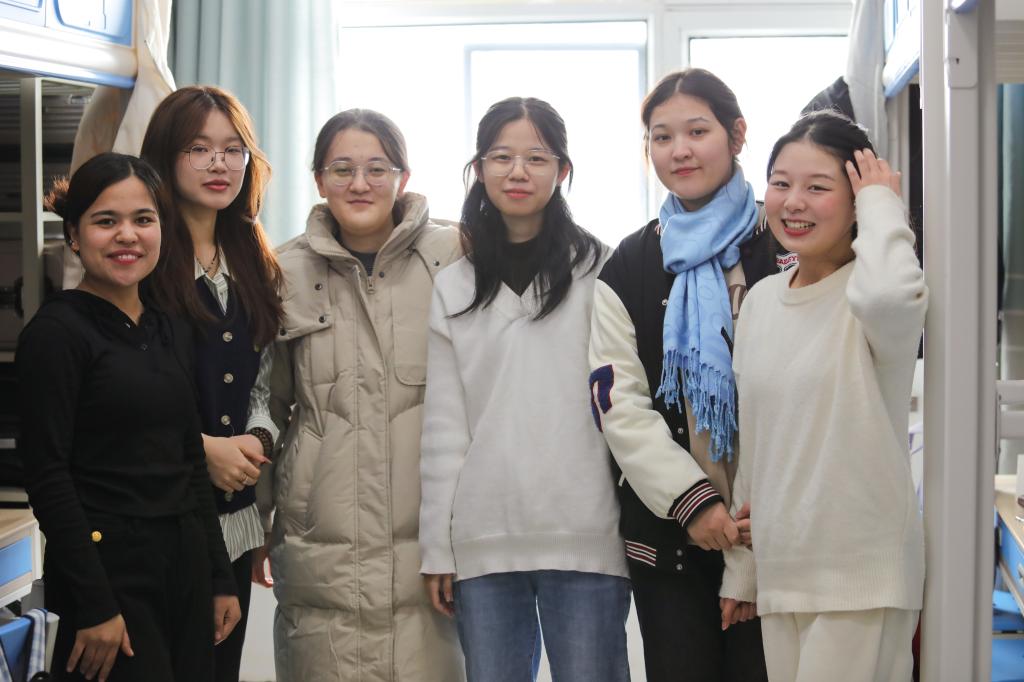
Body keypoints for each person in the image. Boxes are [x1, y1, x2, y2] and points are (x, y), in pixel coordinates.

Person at [418, 96, 630, 682]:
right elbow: (443, 428)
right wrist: (437, 547)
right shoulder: (454, 285)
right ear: (479, 168)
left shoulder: (601, 269)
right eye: (501, 157)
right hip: (484, 537)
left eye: (536, 158)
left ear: (563, 170)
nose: (517, 172)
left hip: (586, 533)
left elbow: (625, 406)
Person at [588, 68, 784, 681]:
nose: (679, 150)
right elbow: (618, 403)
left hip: (777, 530)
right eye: (662, 136)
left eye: (697, 131)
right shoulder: (630, 262)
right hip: (671, 537)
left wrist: (745, 530)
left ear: (737, 135)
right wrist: (694, 504)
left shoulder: (785, 243)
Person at [719, 110, 926, 682]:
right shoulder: (761, 301)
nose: (793, 202)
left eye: (817, 187)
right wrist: (744, 570)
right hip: (784, 569)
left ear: (856, 201)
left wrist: (882, 204)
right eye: (781, 183)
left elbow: (891, 297)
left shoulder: (871, 295)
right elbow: (758, 444)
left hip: (860, 575)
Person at [257, 109, 464, 681]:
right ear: (319, 180)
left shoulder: (453, 258)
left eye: (377, 168)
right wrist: (258, 523)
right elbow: (266, 406)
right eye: (342, 169)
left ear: (403, 177)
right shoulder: (283, 270)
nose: (360, 183)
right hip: (320, 543)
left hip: (433, 544)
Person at [17, 152, 240, 682]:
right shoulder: (56, 334)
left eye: (143, 219)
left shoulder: (167, 327)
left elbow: (190, 461)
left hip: (184, 568)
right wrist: (94, 604)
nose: (127, 236)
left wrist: (218, 576)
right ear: (74, 235)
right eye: (105, 221)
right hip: (109, 578)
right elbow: (47, 477)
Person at [139, 85, 283, 682]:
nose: (219, 163)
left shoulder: (251, 257)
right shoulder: (141, 254)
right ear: (166, 156)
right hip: (158, 517)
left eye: (233, 149)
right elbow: (125, 392)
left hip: (233, 521)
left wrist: (256, 439)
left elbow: (265, 378)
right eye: (198, 149)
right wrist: (203, 450)